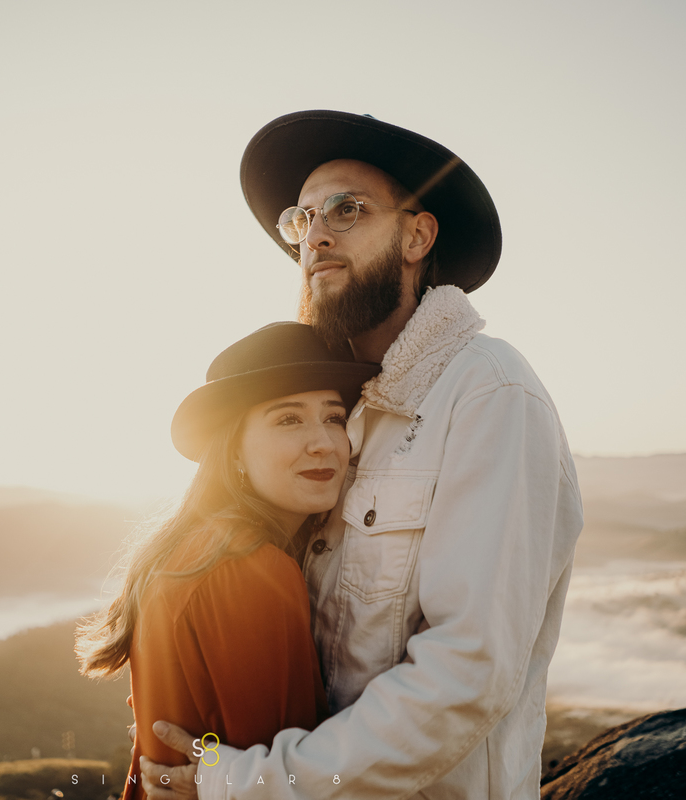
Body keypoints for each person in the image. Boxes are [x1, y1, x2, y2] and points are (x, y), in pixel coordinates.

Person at [139, 110, 584, 799]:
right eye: (302, 219)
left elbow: (466, 673)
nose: (315, 237)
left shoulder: (490, 393)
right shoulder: (339, 409)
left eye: (347, 210)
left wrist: (250, 785)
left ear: (416, 235)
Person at [75, 321, 380, 799]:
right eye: (288, 419)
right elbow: (283, 776)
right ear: (233, 450)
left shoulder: (193, 549)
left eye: (335, 418)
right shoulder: (250, 569)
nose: (323, 441)